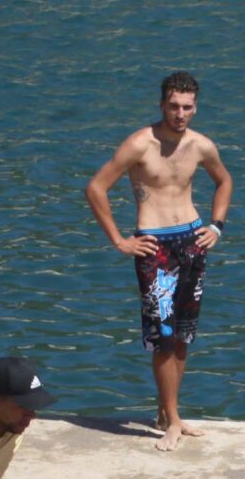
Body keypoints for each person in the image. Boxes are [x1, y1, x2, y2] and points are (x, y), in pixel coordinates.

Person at [84, 69, 234, 450]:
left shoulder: (201, 146)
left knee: (182, 336)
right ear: (161, 104)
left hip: (192, 240)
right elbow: (96, 188)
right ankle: (173, 420)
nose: (180, 114)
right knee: (163, 338)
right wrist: (120, 240)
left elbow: (225, 181)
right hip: (155, 247)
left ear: (195, 108)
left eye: (187, 107)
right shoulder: (139, 144)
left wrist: (216, 226)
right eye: (173, 106)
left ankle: (169, 412)